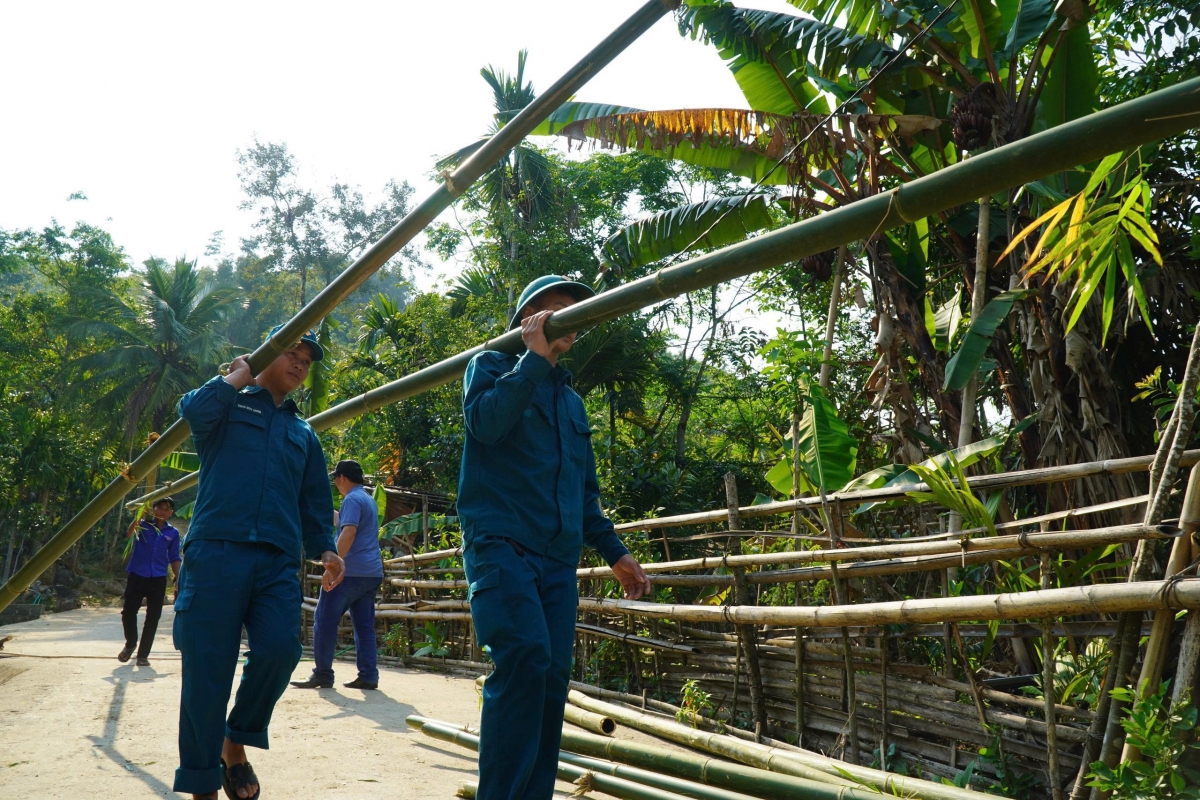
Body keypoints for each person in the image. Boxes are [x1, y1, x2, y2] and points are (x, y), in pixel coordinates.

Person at [458, 274, 653, 800]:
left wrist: (617, 553)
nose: (568, 319)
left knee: (550, 681)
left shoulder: (572, 403)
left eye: (574, 313)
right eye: (555, 310)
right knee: (523, 659)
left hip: (556, 561)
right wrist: (533, 360)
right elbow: (487, 424)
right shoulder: (492, 366)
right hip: (501, 545)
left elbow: (583, 495)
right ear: (530, 320)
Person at [172, 326, 346, 800]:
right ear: (267, 353)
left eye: (307, 361)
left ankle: (236, 738)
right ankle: (202, 783)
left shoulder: (302, 432)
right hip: (216, 552)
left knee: (279, 652)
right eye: (292, 353)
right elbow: (193, 411)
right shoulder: (227, 405)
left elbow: (313, 500)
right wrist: (238, 378)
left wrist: (326, 549)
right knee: (208, 670)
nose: (299, 364)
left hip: (276, 561)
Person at [291, 458, 384, 690]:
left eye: (336, 479)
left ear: (342, 478)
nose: (335, 484)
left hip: (350, 572)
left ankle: (322, 673)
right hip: (370, 572)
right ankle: (369, 675)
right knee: (364, 625)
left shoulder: (352, 499)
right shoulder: (367, 499)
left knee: (324, 621)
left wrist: (333, 565)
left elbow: (349, 532)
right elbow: (344, 520)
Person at [118, 496, 181, 667]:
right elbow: (130, 534)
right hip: (137, 575)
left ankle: (143, 655)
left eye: (166, 509)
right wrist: (139, 515)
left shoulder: (172, 533)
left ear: (171, 512)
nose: (162, 511)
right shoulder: (143, 526)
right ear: (153, 509)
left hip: (158, 578)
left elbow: (174, 557)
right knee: (128, 613)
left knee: (153, 618)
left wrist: (178, 579)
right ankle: (130, 644)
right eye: (159, 507)